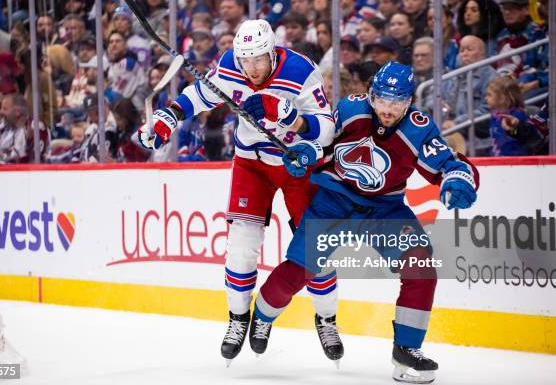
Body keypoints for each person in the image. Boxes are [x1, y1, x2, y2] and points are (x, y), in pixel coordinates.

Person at [248, 62, 479, 384]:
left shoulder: (419, 128)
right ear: (371, 95)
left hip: (384, 210)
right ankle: (263, 315)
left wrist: (459, 180)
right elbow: (322, 143)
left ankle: (407, 350)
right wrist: (303, 152)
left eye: (397, 102)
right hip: (335, 201)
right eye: (383, 100)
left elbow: (448, 164)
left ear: (409, 101)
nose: (388, 109)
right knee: (301, 268)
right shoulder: (351, 109)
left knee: (420, 266)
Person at [136, 19, 343, 364]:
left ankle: (327, 319)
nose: (251, 68)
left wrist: (291, 120)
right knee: (241, 248)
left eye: (258, 59)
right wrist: (167, 119)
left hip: (296, 165)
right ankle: (237, 319)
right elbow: (199, 95)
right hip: (252, 163)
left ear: (273, 52)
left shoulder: (300, 70)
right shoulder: (231, 65)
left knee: (316, 249)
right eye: (245, 59)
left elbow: (327, 131)